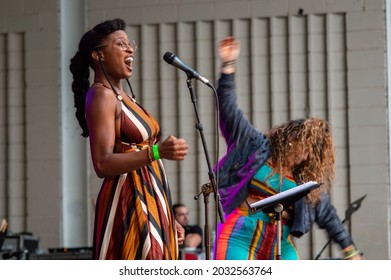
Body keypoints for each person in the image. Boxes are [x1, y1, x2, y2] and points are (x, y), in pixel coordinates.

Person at [213, 36, 362, 260]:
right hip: (238, 235)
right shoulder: (254, 145)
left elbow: (328, 216)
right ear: (289, 137)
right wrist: (228, 65)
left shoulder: (305, 178)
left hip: (279, 244)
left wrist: (351, 252)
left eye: (313, 151)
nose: (306, 154)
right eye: (304, 145)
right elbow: (228, 108)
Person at [69, 18, 189, 260]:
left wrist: (167, 212)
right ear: (98, 55)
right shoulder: (102, 96)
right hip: (129, 202)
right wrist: (157, 152)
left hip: (153, 200)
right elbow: (102, 164)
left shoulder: (124, 96)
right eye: (120, 44)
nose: (130, 49)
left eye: (130, 43)